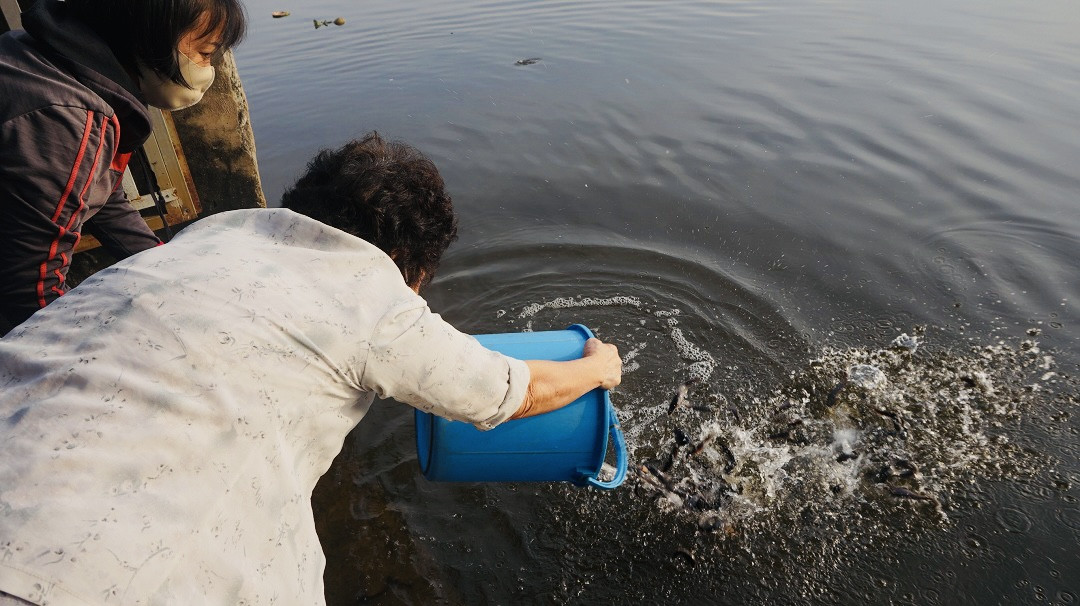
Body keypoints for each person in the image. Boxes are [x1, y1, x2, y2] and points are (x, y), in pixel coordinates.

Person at [0, 133, 622, 606]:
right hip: (89, 578)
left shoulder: (212, 236)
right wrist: (597, 368)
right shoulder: (372, 297)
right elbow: (514, 391)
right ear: (409, 261)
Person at [0, 0, 247, 334]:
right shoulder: (65, 119)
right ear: (148, 38)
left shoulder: (45, 59)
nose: (208, 68)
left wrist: (166, 266)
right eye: (204, 52)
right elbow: (30, 291)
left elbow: (100, 195)